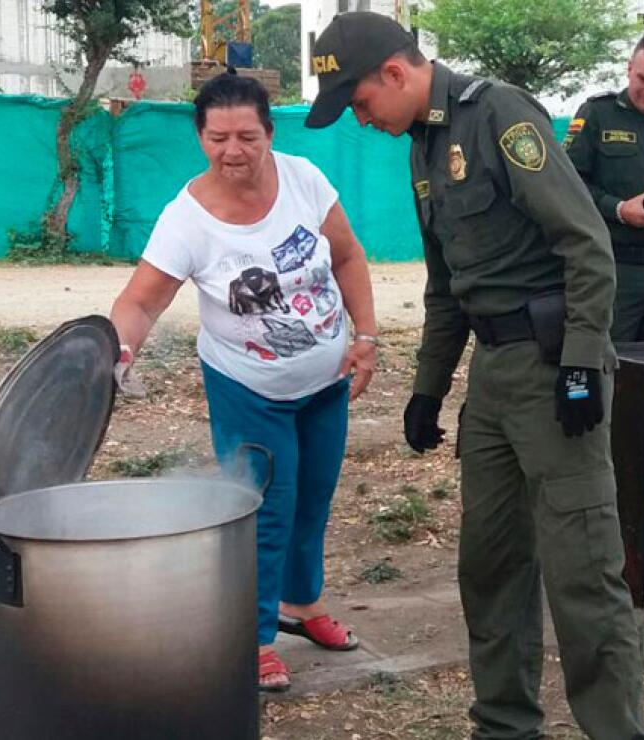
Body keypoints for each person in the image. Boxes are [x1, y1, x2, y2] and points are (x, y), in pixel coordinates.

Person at [305, 14, 644, 740]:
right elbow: (447, 284)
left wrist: (585, 363)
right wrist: (430, 386)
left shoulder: (499, 114)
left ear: (395, 74)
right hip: (494, 378)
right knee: (490, 566)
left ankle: (618, 730)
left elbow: (587, 244)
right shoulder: (423, 145)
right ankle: (503, 725)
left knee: (582, 572)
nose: (362, 120)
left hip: (555, 366)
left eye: (361, 103)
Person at [108, 73, 379, 693]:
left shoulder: (305, 180)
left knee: (313, 496)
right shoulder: (187, 219)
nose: (234, 150)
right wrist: (118, 350)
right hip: (246, 387)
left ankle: (300, 606)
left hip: (325, 381)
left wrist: (364, 336)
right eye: (219, 137)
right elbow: (142, 303)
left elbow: (347, 257)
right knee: (264, 510)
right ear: (200, 137)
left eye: (248, 136)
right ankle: (252, 638)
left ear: (269, 133)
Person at [565, 31, 644, 343]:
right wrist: (619, 209)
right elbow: (569, 185)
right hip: (615, 271)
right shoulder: (597, 114)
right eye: (643, 79)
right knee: (612, 370)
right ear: (629, 69)